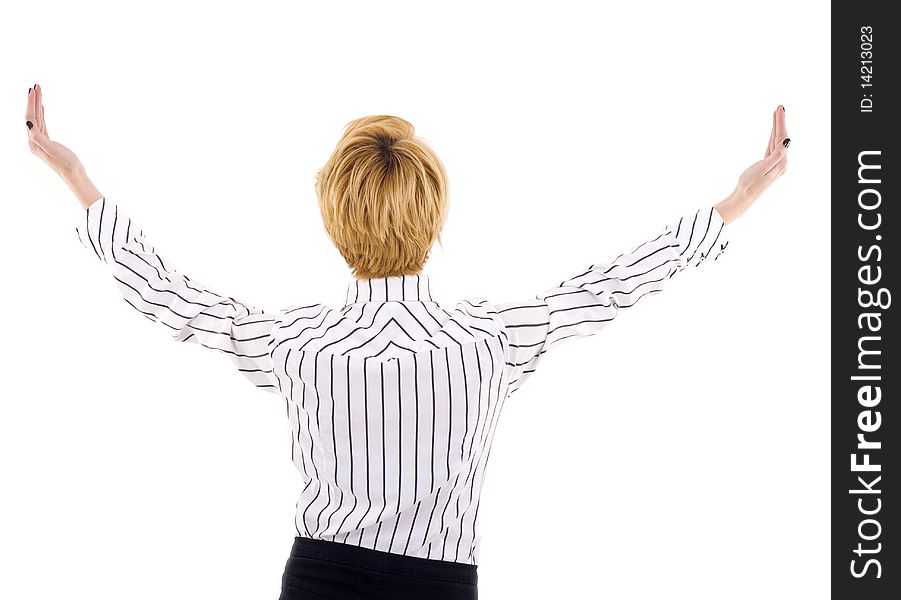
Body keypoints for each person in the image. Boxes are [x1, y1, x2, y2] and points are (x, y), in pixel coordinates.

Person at [25, 82, 789, 600]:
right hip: (441, 586)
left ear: (333, 221)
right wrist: (739, 197)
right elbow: (610, 285)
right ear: (434, 216)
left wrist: (78, 180)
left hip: (316, 578)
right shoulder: (488, 342)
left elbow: (175, 299)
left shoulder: (298, 347)